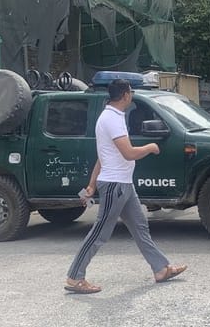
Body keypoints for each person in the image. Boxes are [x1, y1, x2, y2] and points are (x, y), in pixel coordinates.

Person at [65, 79, 186, 294]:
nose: (131, 95)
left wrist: (91, 184)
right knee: (100, 232)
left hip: (124, 185)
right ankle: (75, 276)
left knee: (140, 228)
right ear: (125, 95)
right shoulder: (112, 118)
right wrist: (150, 147)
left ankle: (161, 268)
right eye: (130, 91)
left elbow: (102, 157)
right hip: (115, 185)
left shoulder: (113, 116)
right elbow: (128, 153)